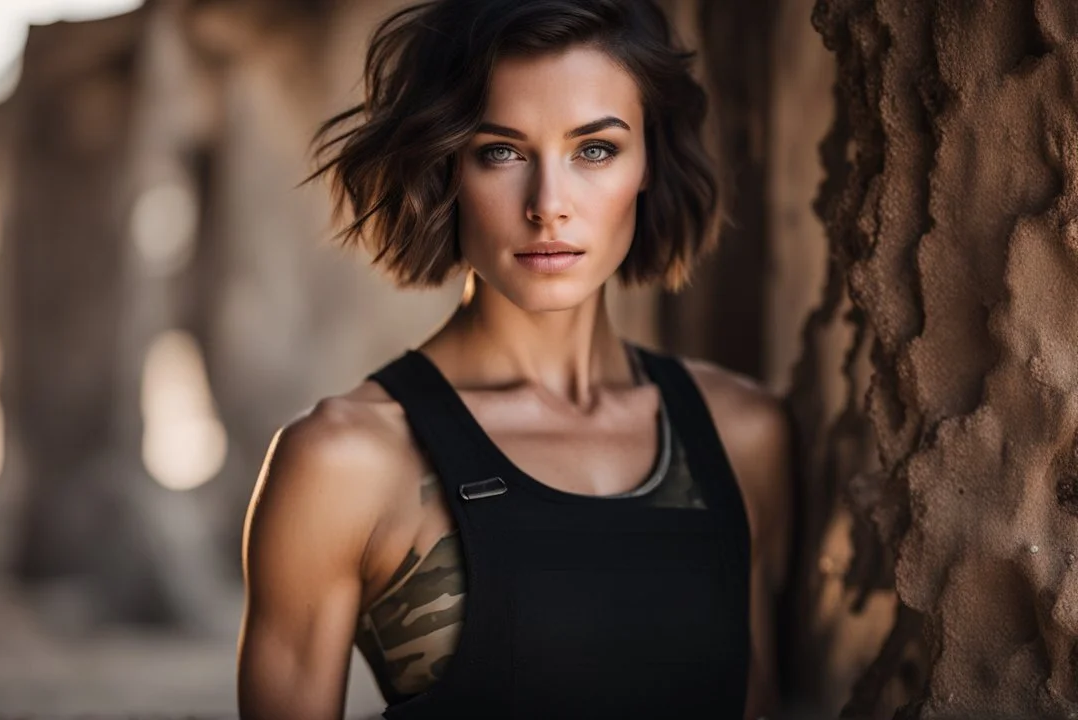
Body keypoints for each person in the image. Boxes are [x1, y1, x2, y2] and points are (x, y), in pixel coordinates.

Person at [237, 0, 793, 717]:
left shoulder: (743, 436)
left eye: (595, 149)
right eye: (499, 151)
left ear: (649, 161)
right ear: (446, 166)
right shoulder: (344, 462)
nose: (548, 204)